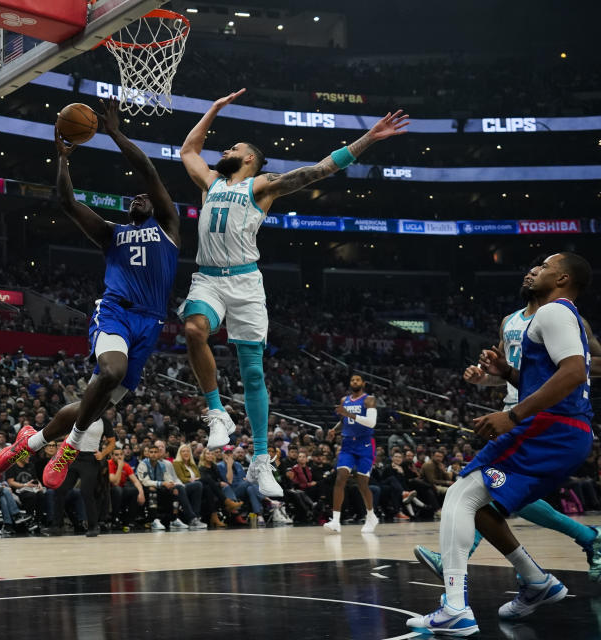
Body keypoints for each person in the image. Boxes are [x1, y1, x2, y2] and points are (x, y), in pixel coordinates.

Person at [177, 89, 408, 500]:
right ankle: (216, 412)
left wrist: (367, 139)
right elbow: (188, 149)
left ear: (250, 159)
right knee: (195, 329)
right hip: (208, 277)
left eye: (235, 147)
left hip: (245, 283)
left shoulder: (262, 186)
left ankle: (261, 461)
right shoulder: (210, 183)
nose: (225, 149)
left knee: (252, 373)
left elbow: (317, 171)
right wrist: (212, 108)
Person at [0, 97, 180, 490]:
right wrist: (63, 159)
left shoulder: (169, 226)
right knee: (111, 372)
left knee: (90, 405)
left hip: (150, 324)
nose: (137, 198)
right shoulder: (113, 234)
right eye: (134, 200)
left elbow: (146, 169)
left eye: (142, 198)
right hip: (115, 312)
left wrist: (114, 133)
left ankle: (33, 441)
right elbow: (67, 202)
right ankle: (70, 446)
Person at [407, 253, 594, 635]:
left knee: (460, 492)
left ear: (561, 278)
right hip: (565, 432)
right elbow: (551, 374)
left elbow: (573, 372)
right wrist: (506, 372)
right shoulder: (549, 317)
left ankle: (455, 607)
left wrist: (512, 416)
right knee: (480, 506)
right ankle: (536, 581)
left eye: (544, 267)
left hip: (548, 427)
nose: (534, 270)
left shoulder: (553, 312)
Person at [323, 375, 379, 534]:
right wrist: (335, 429)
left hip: (365, 444)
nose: (355, 382)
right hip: (347, 444)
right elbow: (344, 421)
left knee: (362, 483)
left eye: (358, 380)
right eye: (352, 380)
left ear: (363, 383)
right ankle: (335, 521)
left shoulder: (369, 400)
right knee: (340, 477)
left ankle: (371, 515)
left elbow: (371, 422)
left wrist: (349, 414)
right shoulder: (344, 400)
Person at [49, 417, 116, 537]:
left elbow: (112, 442)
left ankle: (93, 526)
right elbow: (69, 436)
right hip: (74, 456)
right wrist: (63, 452)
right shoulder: (79, 416)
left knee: (86, 492)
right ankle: (57, 525)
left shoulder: (104, 422)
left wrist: (103, 454)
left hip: (91, 459)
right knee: (60, 489)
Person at [107, 448, 144, 531]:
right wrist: (120, 466)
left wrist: (141, 493)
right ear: (112, 456)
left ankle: (130, 521)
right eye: (116, 455)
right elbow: (115, 483)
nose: (119, 457)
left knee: (134, 490)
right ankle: (115, 520)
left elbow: (136, 481)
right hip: (109, 491)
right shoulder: (109, 464)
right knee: (118, 489)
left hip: (120, 490)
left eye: (121, 454)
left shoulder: (126, 465)